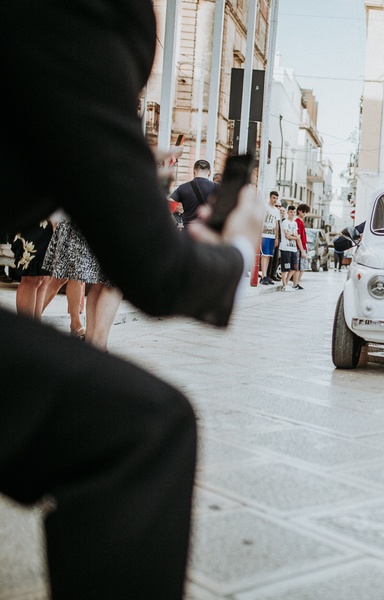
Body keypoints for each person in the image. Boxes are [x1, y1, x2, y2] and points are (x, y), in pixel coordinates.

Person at [0, 2, 264, 597]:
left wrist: (103, 162)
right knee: (146, 426)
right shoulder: (89, 12)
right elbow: (159, 274)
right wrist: (240, 252)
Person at [42, 218, 124, 352]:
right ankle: (98, 345)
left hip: (89, 219)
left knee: (101, 281)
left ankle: (92, 343)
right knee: (113, 282)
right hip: (102, 219)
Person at [169, 159, 215, 228]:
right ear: (209, 173)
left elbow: (167, 207)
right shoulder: (217, 188)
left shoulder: (183, 188)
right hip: (207, 232)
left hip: (188, 232)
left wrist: (176, 224)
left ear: (194, 171)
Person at [259, 191, 281, 285]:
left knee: (269, 255)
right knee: (264, 255)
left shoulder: (276, 210)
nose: (275, 200)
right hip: (264, 234)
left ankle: (266, 276)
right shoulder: (265, 207)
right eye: (273, 198)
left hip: (272, 234)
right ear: (270, 197)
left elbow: (276, 223)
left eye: (276, 198)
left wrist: (276, 237)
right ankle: (263, 276)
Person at [278, 205, 300, 291]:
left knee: (294, 267)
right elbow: (287, 235)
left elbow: (296, 234)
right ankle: (284, 284)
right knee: (285, 267)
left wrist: (294, 236)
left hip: (293, 248)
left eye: (294, 212)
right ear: (288, 212)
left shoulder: (295, 223)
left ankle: (287, 282)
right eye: (291, 212)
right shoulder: (285, 222)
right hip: (285, 247)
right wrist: (295, 236)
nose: (292, 213)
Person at [294, 203, 310, 289]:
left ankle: (297, 283)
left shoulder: (301, 222)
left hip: (303, 246)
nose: (304, 213)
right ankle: (295, 283)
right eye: (303, 211)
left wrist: (305, 248)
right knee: (298, 267)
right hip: (299, 247)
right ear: (299, 211)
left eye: (306, 212)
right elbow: (298, 237)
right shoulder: (298, 222)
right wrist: (302, 250)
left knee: (302, 267)